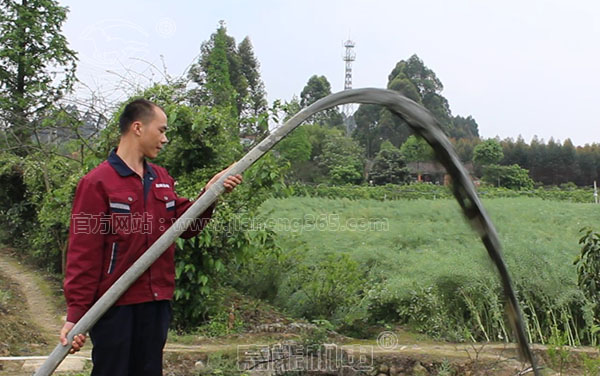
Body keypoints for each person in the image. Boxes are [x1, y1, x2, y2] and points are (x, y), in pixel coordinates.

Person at [59, 99, 242, 375]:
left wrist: (211, 193)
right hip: (115, 306)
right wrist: (76, 315)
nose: (165, 139)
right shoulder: (98, 182)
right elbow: (83, 254)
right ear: (137, 128)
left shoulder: (161, 178)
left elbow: (186, 225)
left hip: (156, 303)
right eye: (161, 130)